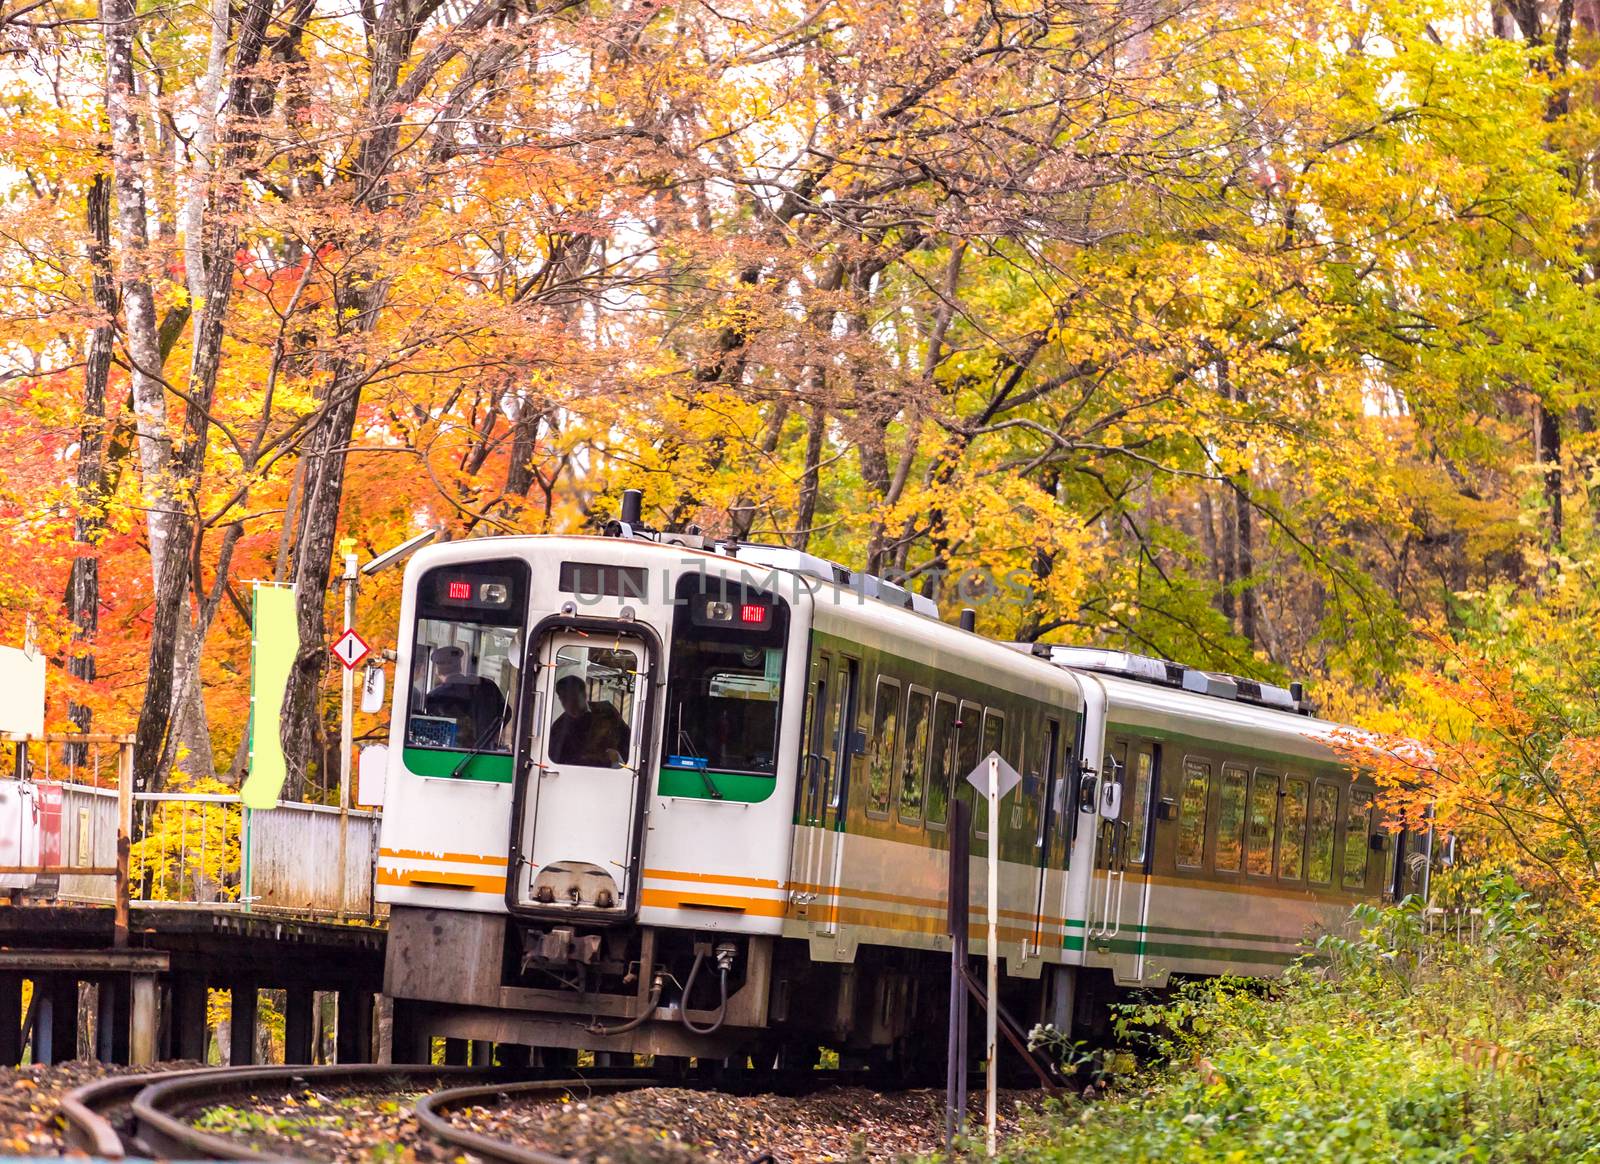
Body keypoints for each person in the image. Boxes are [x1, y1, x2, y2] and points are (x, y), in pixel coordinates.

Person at [425, 645, 508, 749]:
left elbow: (431, 727)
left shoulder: (435, 696)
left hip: (448, 753)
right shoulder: (487, 685)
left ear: (437, 670)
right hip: (485, 753)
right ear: (460, 665)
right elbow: (506, 713)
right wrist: (491, 735)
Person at [549, 673, 630, 767]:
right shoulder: (558, 728)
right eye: (564, 699)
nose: (569, 704)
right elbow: (557, 763)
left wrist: (622, 761)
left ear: (584, 694)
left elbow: (626, 739)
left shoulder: (607, 711)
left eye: (574, 698)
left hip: (612, 773)